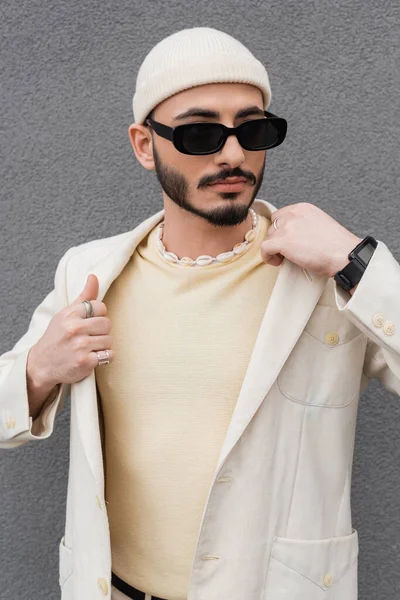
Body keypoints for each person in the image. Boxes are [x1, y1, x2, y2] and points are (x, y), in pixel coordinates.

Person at [1, 26, 400, 600]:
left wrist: (355, 262)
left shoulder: (324, 276)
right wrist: (40, 370)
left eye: (253, 130)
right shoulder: (89, 272)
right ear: (145, 145)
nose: (233, 154)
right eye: (199, 133)